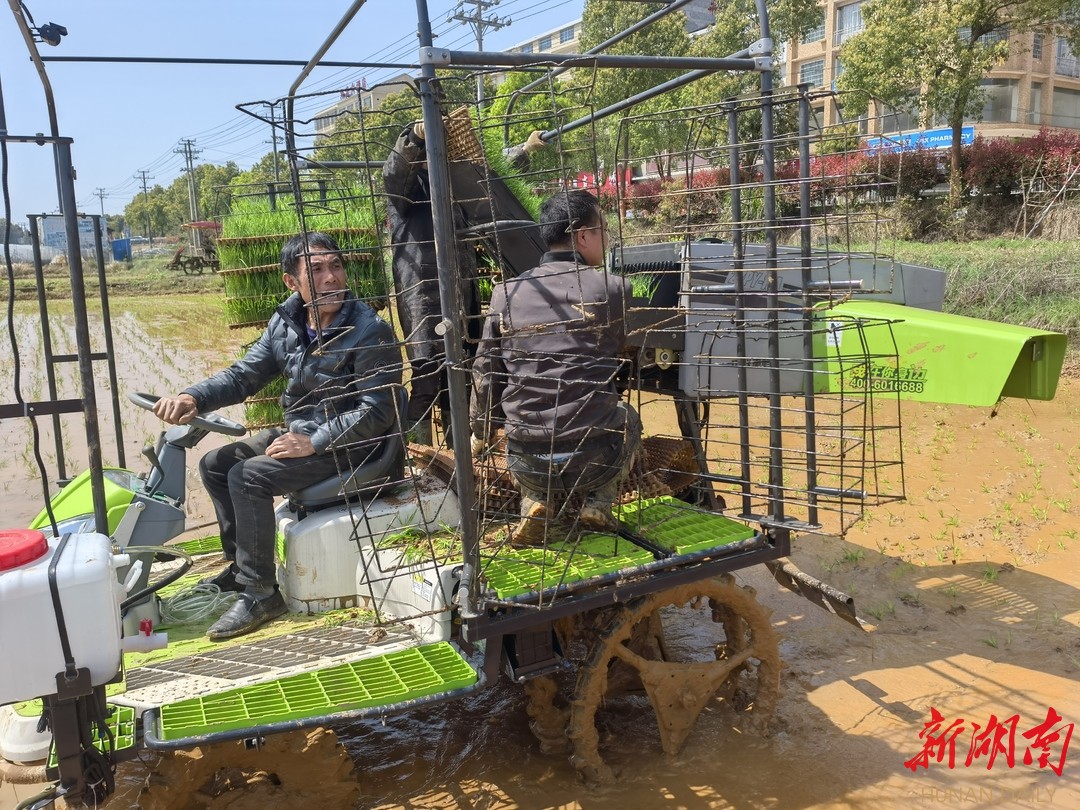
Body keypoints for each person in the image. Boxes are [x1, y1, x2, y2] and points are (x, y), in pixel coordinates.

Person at [153, 231, 403, 640]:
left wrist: (316, 441)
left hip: (351, 443)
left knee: (248, 475)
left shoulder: (368, 330)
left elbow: (377, 412)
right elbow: (244, 375)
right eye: (317, 270)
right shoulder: (286, 323)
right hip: (303, 431)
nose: (331, 279)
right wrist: (192, 396)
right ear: (293, 282)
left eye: (336, 266)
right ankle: (241, 570)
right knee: (216, 465)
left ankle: (260, 593)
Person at [470, 190, 641, 545]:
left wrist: (480, 430)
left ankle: (534, 501)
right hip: (594, 456)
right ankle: (599, 502)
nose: (606, 239)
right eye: (603, 229)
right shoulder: (614, 289)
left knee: (523, 430)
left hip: (527, 456)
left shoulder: (506, 293)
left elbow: (487, 371)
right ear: (582, 235)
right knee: (629, 417)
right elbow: (626, 351)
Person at [383, 118, 547, 445]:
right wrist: (415, 134)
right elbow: (393, 170)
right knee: (428, 373)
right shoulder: (408, 189)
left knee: (461, 371)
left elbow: (488, 173)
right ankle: (418, 454)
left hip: (461, 288)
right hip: (423, 293)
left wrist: (526, 148)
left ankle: (456, 454)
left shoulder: (452, 185)